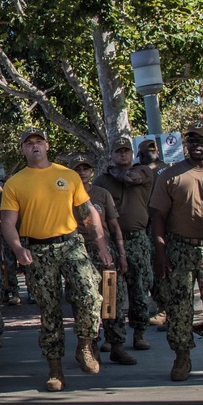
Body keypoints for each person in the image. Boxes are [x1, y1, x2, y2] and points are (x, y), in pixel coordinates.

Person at [0, 129, 110, 392]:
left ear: (47, 146)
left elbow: (87, 214)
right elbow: (8, 222)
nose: (35, 146)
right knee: (49, 310)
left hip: (71, 244)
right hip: (37, 250)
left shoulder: (68, 175)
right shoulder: (15, 183)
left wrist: (102, 246)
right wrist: (17, 249)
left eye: (39, 142)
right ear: (23, 150)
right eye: (29, 144)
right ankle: (55, 368)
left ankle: (84, 344)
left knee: (89, 295)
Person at [149, 120, 203, 381]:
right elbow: (158, 217)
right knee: (179, 307)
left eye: (201, 140)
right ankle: (182, 357)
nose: (195, 145)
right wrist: (161, 252)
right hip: (179, 248)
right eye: (191, 140)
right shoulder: (170, 175)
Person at [67, 153, 135, 365]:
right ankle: (90, 347)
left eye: (85, 168)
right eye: (77, 169)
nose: (82, 172)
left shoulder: (101, 193)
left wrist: (121, 254)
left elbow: (114, 226)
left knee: (111, 298)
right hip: (77, 251)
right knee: (84, 301)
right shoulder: (63, 193)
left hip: (103, 250)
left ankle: (117, 346)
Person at [94, 137, 155, 351]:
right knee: (111, 291)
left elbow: (131, 178)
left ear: (132, 154)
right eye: (118, 151)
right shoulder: (101, 181)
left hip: (137, 239)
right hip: (110, 241)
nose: (122, 155)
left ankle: (139, 333)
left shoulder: (145, 171)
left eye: (126, 151)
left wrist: (113, 171)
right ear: (111, 154)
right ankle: (112, 336)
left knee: (139, 289)